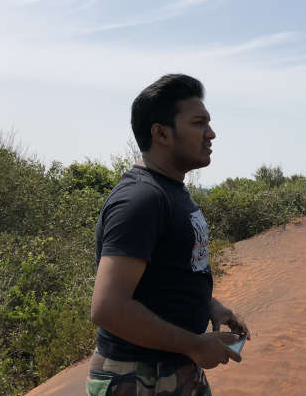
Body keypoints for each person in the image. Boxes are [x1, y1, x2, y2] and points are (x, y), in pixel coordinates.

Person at [88, 74, 249, 396]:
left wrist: (209, 305)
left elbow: (168, 275)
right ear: (161, 133)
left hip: (175, 367)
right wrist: (196, 344)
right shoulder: (140, 199)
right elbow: (107, 307)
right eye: (198, 123)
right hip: (139, 377)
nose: (211, 133)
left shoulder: (172, 191)